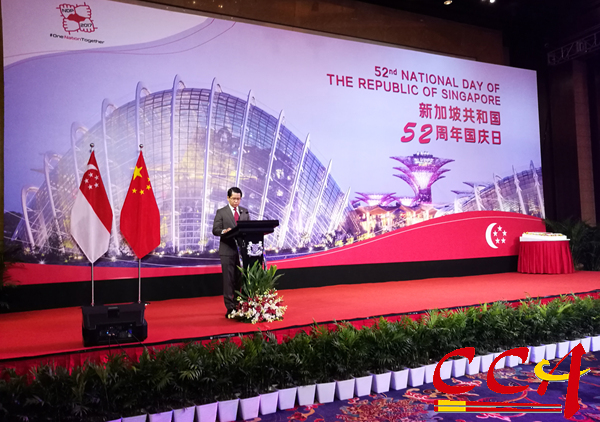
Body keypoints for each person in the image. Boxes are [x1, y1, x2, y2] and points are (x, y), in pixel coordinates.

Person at [212, 187, 250, 316]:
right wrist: (224, 231)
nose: (236, 201)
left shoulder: (244, 212)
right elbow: (215, 229)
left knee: (240, 279)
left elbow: (249, 228)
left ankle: (239, 304)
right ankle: (230, 307)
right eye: (234, 199)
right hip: (227, 250)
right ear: (228, 198)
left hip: (241, 252)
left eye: (238, 199)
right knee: (228, 280)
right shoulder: (221, 212)